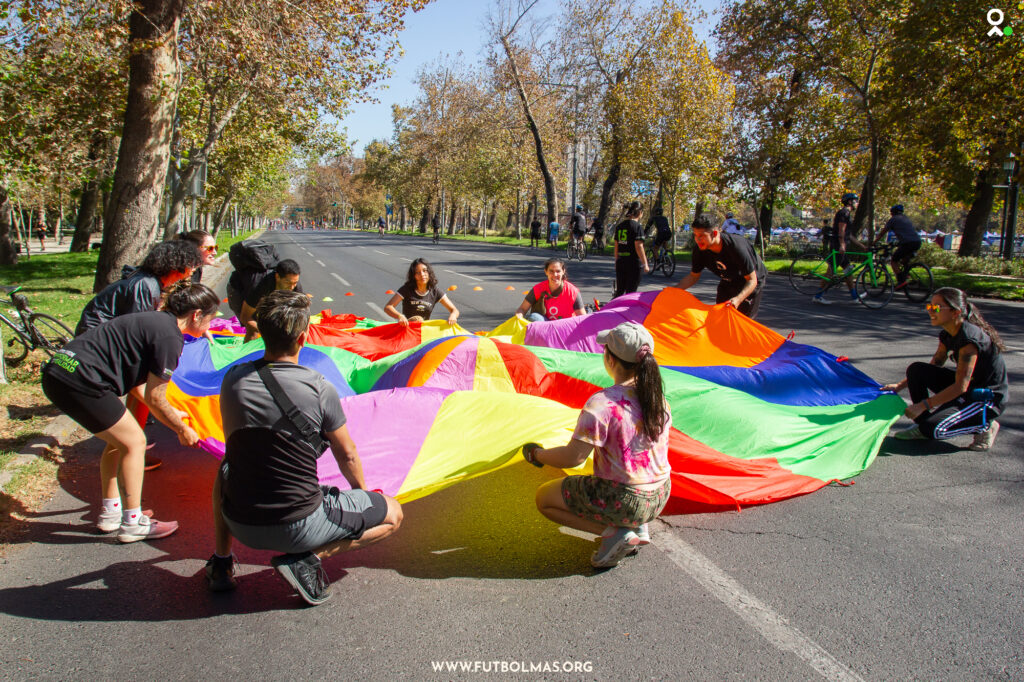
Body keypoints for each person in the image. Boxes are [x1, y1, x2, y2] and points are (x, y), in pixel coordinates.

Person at [205, 290, 403, 603]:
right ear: (303, 338)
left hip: (239, 521)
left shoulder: (233, 380)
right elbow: (347, 454)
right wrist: (361, 492)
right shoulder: (318, 387)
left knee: (228, 465)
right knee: (394, 515)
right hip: (299, 524)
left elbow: (240, 444)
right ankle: (306, 558)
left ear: (260, 334)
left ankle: (221, 561)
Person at [41, 282, 219, 542]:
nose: (210, 326)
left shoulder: (155, 321)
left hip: (60, 371)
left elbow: (139, 385)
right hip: (82, 381)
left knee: (119, 443)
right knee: (135, 442)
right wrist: (182, 429)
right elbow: (155, 398)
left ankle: (112, 513)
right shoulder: (170, 337)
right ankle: (133, 524)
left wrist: (172, 414)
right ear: (196, 315)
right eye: (211, 320)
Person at [521, 322, 671, 568]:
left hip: (625, 499)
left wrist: (537, 455)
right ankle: (638, 527)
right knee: (632, 476)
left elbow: (573, 458)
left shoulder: (603, 404)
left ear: (610, 360)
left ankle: (615, 533)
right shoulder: (657, 398)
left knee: (544, 498)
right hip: (659, 495)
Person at [883, 288, 1008, 450]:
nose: (931, 311)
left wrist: (923, 405)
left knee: (934, 429)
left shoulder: (969, 340)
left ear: (955, 312)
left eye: (936, 308)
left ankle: (985, 426)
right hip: (968, 387)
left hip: (986, 398)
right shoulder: (947, 334)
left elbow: (960, 386)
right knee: (917, 370)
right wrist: (899, 386)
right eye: (930, 307)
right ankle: (923, 426)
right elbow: (935, 364)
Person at [75, 240, 202, 336]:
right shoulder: (146, 286)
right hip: (95, 338)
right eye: (192, 265)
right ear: (177, 266)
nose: (193, 271)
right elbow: (138, 330)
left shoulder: (148, 279)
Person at [674, 213, 767, 319]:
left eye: (702, 236)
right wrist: (673, 290)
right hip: (728, 280)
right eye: (695, 235)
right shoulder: (700, 250)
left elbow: (752, 280)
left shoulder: (735, 247)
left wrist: (737, 299)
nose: (697, 240)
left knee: (741, 322)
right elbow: (693, 276)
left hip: (750, 281)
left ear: (714, 233)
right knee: (720, 318)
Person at [812, 192, 863, 305]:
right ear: (850, 201)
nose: (857, 203)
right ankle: (818, 296)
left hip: (841, 246)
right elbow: (841, 231)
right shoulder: (844, 213)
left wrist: (862, 246)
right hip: (838, 246)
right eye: (856, 201)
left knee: (848, 271)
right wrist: (842, 244)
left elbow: (848, 234)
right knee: (830, 272)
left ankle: (854, 297)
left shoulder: (847, 214)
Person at [240, 259, 304, 342]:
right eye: (288, 283)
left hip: (268, 295)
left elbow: (304, 313)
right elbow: (245, 317)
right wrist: (269, 333)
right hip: (238, 290)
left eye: (295, 282)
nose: (292, 287)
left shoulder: (295, 286)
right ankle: (247, 353)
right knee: (253, 330)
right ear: (277, 277)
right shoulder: (260, 287)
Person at [384, 258, 459, 326]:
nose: (422, 275)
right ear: (414, 276)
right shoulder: (406, 289)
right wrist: (400, 316)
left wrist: (453, 315)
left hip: (423, 331)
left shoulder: (435, 291)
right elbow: (388, 307)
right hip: (407, 330)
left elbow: (454, 310)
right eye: (417, 272)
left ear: (429, 272)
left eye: (424, 271)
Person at [514, 257, 586, 322]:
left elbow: (582, 317)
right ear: (546, 272)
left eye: (558, 271)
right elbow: (522, 309)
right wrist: (519, 316)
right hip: (547, 327)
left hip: (566, 327)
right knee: (534, 317)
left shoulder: (572, 291)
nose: (555, 275)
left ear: (563, 271)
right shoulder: (538, 288)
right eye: (551, 271)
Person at [874, 204, 922, 288]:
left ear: (893, 212)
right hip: (917, 242)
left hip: (907, 243)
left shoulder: (893, 220)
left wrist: (874, 242)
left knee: (894, 261)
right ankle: (906, 275)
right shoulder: (906, 218)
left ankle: (901, 281)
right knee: (904, 259)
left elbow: (882, 233)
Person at [612, 201, 649, 299]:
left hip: (621, 261)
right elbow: (639, 246)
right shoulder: (637, 227)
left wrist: (616, 260)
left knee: (619, 291)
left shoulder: (620, 226)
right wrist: (645, 263)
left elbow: (616, 245)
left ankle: (613, 310)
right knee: (630, 292)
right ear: (640, 212)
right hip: (633, 263)